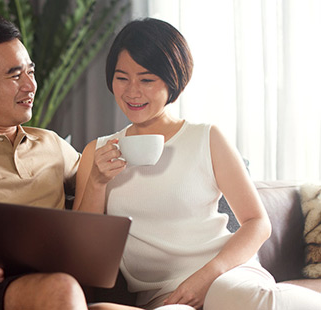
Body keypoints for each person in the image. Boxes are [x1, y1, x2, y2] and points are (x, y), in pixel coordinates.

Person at [0, 14, 192, 310]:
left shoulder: (51, 144)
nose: (30, 86)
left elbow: (110, 187)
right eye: (15, 76)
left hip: (45, 295)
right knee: (61, 289)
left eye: (31, 72)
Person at [73, 18, 321, 310]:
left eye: (147, 79)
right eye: (122, 77)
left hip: (228, 275)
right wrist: (97, 181)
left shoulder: (205, 138)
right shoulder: (98, 152)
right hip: (165, 298)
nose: (132, 91)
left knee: (238, 297)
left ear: (173, 79)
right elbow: (83, 253)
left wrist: (207, 277)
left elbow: (258, 224)